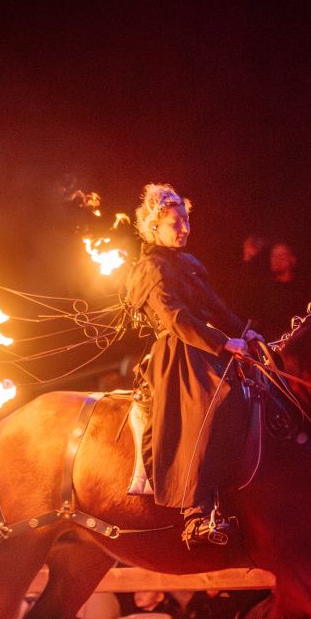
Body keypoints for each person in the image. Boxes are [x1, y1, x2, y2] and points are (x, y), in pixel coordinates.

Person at [125, 184, 262, 549]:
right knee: (212, 399)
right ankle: (194, 509)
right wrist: (222, 342)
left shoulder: (189, 265)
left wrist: (248, 333)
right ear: (154, 226)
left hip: (204, 345)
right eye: (175, 222)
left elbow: (216, 309)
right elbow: (175, 319)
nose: (184, 228)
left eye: (186, 220)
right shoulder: (150, 268)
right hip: (176, 353)